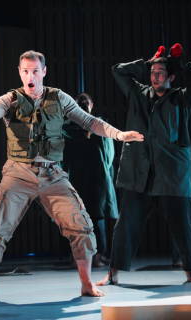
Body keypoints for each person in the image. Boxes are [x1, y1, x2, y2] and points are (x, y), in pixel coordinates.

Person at [0, 50, 144, 299]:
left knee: (82, 226)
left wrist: (119, 134)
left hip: (52, 174)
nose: (29, 76)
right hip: (18, 173)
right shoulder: (10, 99)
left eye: (34, 71)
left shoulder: (59, 98)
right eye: (25, 71)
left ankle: (87, 283)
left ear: (43, 71)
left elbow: (89, 121)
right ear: (19, 72)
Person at [97, 43, 191, 285]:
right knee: (126, 223)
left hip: (172, 174)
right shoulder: (138, 93)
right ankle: (113, 274)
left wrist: (180, 64)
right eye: (152, 72)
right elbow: (118, 70)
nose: (155, 76)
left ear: (170, 77)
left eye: (160, 72)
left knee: (183, 223)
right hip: (139, 172)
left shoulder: (181, 98)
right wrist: (147, 62)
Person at [62, 93, 118, 267]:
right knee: (94, 217)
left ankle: (83, 255)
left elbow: (63, 158)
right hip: (96, 177)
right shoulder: (100, 127)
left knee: (82, 217)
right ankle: (96, 255)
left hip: (81, 177)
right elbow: (109, 156)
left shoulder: (67, 129)